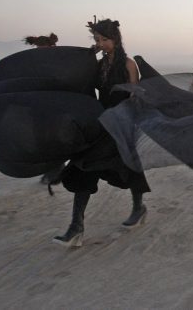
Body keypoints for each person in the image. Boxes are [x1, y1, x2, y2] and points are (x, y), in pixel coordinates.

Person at [52, 19, 150, 247]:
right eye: (97, 40)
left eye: (104, 39)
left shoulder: (127, 64)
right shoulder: (98, 64)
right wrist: (88, 55)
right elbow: (81, 83)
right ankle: (76, 227)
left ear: (115, 39)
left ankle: (139, 208)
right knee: (82, 166)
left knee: (130, 168)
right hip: (100, 122)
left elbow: (136, 96)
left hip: (122, 123)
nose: (101, 44)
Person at [24, 32, 61, 185]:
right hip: (37, 108)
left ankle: (56, 171)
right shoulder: (32, 65)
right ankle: (50, 171)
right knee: (41, 140)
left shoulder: (58, 64)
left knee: (54, 140)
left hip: (54, 108)